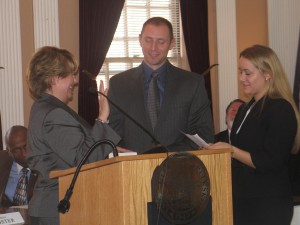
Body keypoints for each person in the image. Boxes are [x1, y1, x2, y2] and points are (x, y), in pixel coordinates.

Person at [26, 46, 121, 225]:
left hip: (57, 207)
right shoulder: (53, 114)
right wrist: (102, 118)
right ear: (54, 78)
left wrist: (111, 147)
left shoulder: (45, 108)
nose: (75, 80)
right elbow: (83, 159)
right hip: (58, 210)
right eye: (71, 74)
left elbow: (77, 150)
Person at [207, 45, 300, 225]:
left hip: (268, 203)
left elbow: (271, 161)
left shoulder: (280, 109)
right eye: (240, 72)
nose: (242, 78)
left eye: (247, 73)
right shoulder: (244, 108)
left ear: (267, 74)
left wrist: (231, 150)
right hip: (242, 200)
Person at [108, 17, 214, 154]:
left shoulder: (192, 83)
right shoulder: (118, 84)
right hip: (133, 169)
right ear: (140, 40)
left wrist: (164, 153)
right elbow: (114, 134)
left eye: (161, 42)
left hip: (178, 168)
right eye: (148, 40)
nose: (153, 48)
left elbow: (203, 134)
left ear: (171, 44)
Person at [0, 125, 36, 207]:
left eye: (26, 146)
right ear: (9, 151)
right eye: (17, 150)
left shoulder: (46, 165)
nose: (24, 154)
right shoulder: (2, 160)